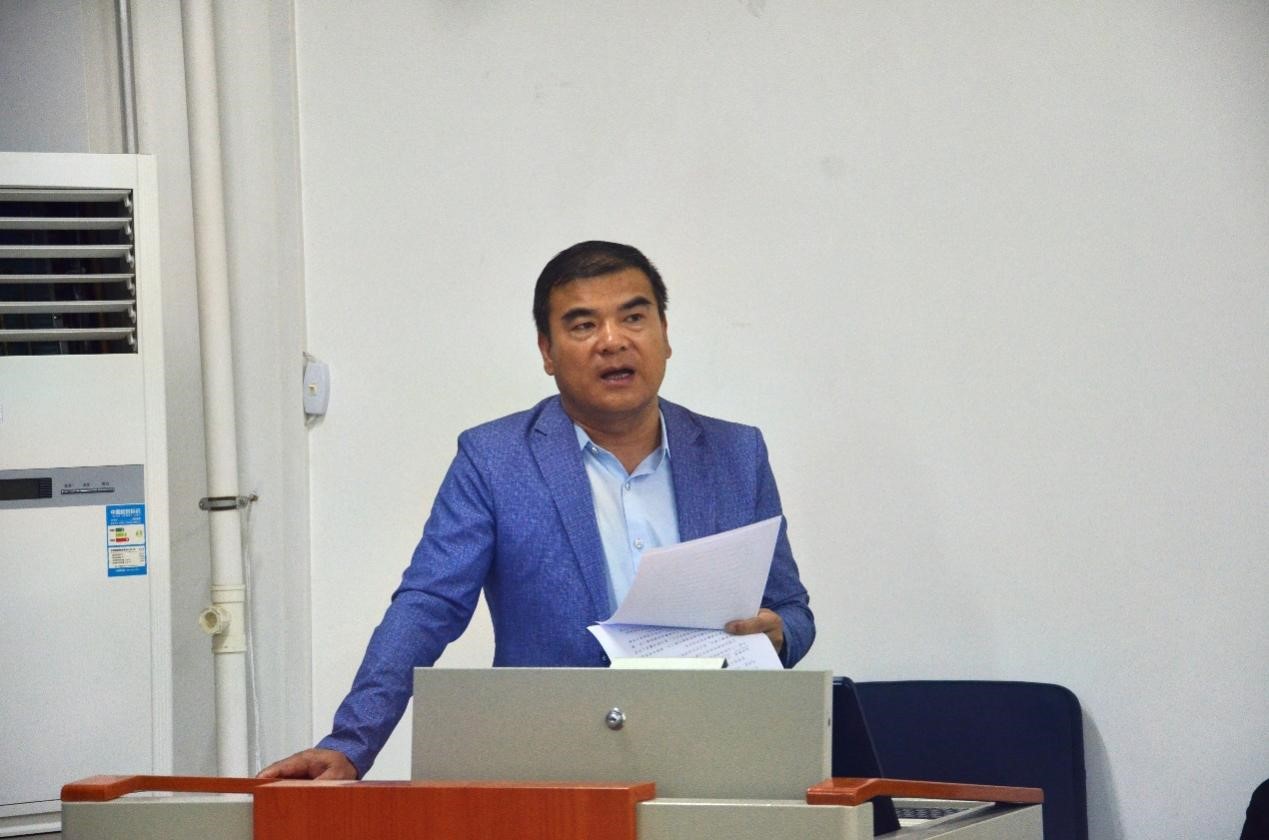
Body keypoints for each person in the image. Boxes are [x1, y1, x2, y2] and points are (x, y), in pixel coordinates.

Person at [260, 241, 815, 780]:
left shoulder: (736, 454)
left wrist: (779, 634)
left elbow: (791, 610)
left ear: (665, 334)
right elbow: (429, 605)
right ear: (547, 352)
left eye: (633, 317)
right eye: (583, 325)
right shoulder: (495, 459)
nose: (613, 341)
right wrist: (351, 743)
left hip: (710, 761)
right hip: (552, 769)